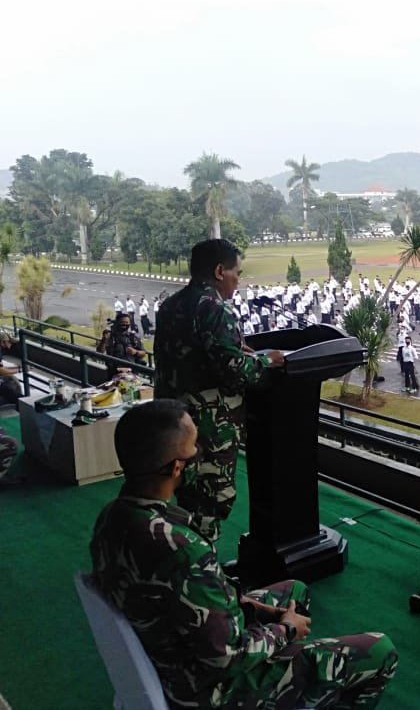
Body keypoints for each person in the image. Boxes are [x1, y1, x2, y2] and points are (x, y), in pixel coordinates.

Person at [90, 400, 397, 708]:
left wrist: (255, 608)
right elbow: (226, 657)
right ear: (177, 467)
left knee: (295, 590)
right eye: (195, 446)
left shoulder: (112, 517)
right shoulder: (181, 550)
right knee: (380, 650)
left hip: (172, 649)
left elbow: (191, 602)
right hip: (208, 690)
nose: (201, 451)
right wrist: (284, 629)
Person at [154, 239, 286, 542]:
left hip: (175, 420)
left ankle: (186, 557)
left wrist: (241, 353)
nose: (237, 281)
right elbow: (235, 372)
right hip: (209, 427)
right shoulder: (214, 309)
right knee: (211, 501)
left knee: (186, 492)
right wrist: (269, 360)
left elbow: (194, 356)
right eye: (235, 273)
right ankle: (202, 572)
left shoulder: (171, 305)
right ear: (218, 271)